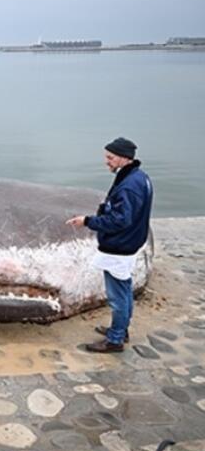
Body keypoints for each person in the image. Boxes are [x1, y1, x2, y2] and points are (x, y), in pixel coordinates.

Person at [66, 137, 153, 353]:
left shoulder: (129, 186)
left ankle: (115, 340)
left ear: (124, 158)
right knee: (124, 290)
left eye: (110, 157)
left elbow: (120, 220)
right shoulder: (138, 177)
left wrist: (88, 221)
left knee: (117, 296)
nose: (106, 161)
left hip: (120, 247)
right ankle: (121, 330)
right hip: (129, 244)